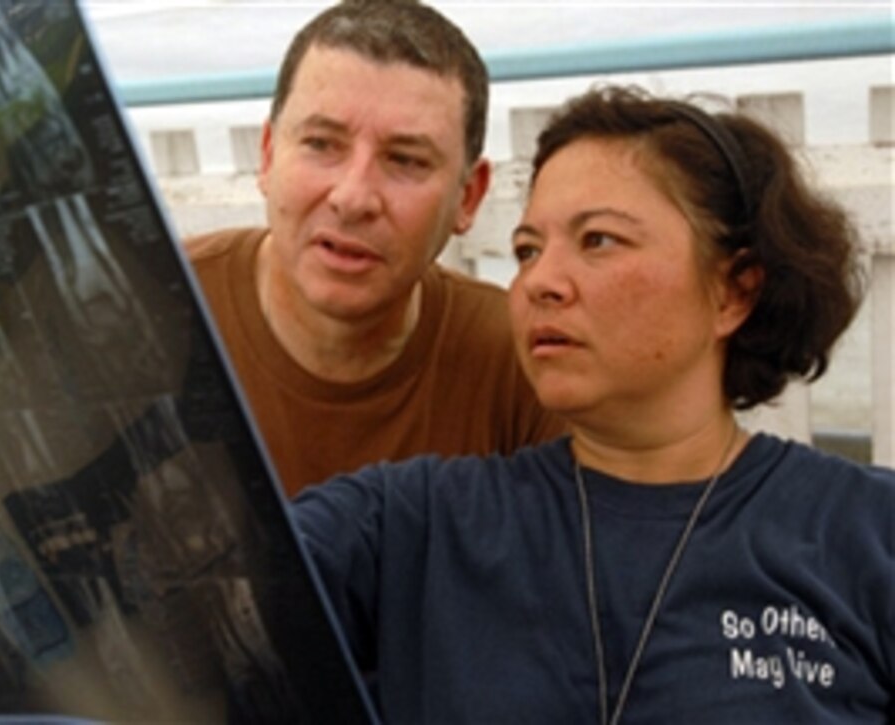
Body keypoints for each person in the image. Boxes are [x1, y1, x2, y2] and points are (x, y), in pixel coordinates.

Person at [292, 85, 895, 724]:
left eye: (599, 240)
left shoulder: (866, 534)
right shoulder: (409, 527)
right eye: (527, 250)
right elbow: (204, 598)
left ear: (733, 292)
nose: (539, 283)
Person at [186, 0, 562, 497]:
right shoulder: (152, 306)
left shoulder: (524, 362)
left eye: (405, 160)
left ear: (467, 197)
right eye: (321, 144)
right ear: (269, 155)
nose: (353, 197)